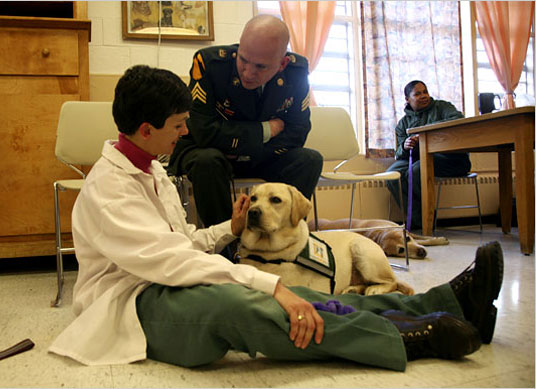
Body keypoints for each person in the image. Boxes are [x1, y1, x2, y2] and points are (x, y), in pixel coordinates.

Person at [49, 65, 504, 372]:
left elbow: (181, 242)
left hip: (162, 279)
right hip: (130, 304)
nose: (186, 132)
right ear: (147, 130)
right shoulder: (110, 190)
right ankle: (410, 337)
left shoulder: (150, 167)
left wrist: (227, 230)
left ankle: (440, 304)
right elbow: (169, 261)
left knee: (296, 294)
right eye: (178, 124)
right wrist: (273, 286)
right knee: (241, 304)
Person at [168, 15, 323, 233]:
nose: (248, 74)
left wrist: (246, 146)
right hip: (211, 154)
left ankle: (283, 240)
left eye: (261, 67)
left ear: (282, 64)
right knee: (207, 160)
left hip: (259, 155)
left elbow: (298, 132)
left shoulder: (296, 71)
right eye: (242, 60)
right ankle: (226, 248)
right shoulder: (210, 63)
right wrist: (267, 129)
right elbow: (203, 131)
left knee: (309, 159)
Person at [385, 80, 471, 230]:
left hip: (451, 159)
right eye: (417, 94)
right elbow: (399, 153)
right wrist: (405, 146)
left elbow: (458, 121)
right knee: (392, 176)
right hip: (420, 158)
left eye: (425, 92)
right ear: (407, 99)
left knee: (418, 169)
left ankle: (428, 219)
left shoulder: (442, 107)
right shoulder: (403, 123)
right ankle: (420, 221)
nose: (424, 96)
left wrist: (425, 133)